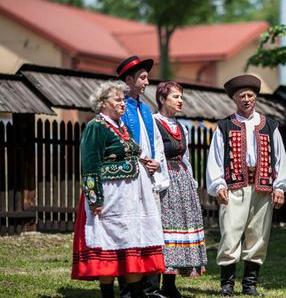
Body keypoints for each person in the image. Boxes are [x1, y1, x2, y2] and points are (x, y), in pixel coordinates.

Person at [71, 81, 165, 298]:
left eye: (124, 100)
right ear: (103, 103)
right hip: (111, 196)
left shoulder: (121, 125)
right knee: (109, 246)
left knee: (130, 243)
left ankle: (135, 293)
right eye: (118, 100)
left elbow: (130, 152)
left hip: (129, 197)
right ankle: (107, 295)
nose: (123, 103)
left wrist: (143, 161)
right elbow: (90, 163)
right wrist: (95, 199)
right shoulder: (96, 127)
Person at [206, 74, 286, 296]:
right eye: (242, 96)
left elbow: (279, 157)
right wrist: (218, 185)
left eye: (251, 95)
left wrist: (280, 187)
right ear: (234, 99)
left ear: (256, 98)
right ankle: (227, 285)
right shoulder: (224, 126)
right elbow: (215, 158)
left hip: (263, 186)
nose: (247, 99)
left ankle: (250, 285)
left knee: (258, 235)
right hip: (234, 187)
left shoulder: (269, 125)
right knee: (231, 233)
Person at [116, 56, 170, 298]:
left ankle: (150, 287)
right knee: (129, 231)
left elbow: (156, 143)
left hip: (148, 180)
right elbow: (117, 144)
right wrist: (138, 162)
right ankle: (129, 288)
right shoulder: (118, 109)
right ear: (129, 80)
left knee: (151, 231)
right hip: (128, 181)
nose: (147, 81)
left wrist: (157, 162)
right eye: (142, 77)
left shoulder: (146, 109)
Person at [153, 81, 208, 297]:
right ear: (161, 99)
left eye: (181, 97)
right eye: (175, 97)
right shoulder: (154, 123)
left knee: (179, 230)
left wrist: (191, 181)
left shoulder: (182, 127)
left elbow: (186, 157)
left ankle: (169, 283)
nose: (180, 101)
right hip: (163, 181)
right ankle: (153, 284)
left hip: (182, 181)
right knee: (164, 230)